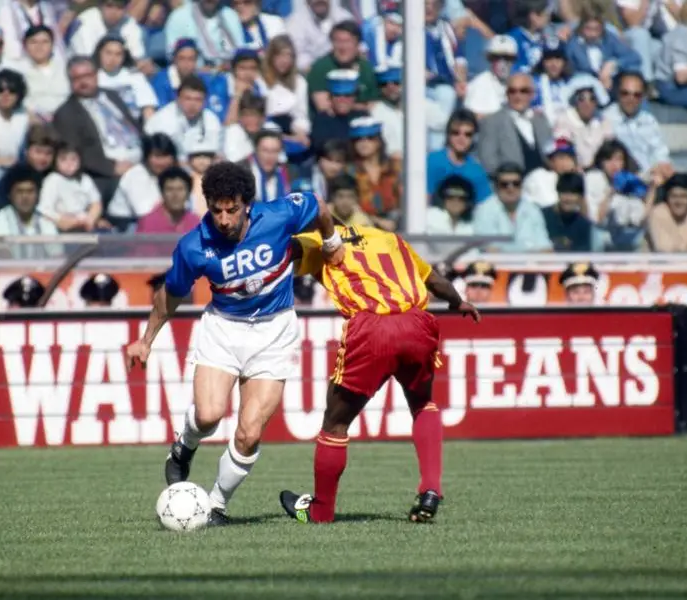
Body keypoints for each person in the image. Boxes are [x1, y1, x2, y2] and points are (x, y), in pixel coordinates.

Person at [124, 161, 342, 526]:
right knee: (208, 415)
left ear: (247, 204)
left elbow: (318, 205)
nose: (223, 219)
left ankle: (215, 506)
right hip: (224, 329)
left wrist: (332, 242)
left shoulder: (278, 215)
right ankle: (184, 446)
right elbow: (170, 295)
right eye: (216, 210)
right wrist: (145, 340)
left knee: (250, 431)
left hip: (275, 331)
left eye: (232, 209)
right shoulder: (194, 246)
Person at [278, 223, 481, 525]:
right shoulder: (386, 237)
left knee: (335, 423)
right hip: (417, 323)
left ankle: (320, 511)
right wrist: (457, 301)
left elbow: (279, 255)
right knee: (422, 403)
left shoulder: (315, 240)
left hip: (371, 328)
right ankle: (430, 489)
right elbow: (433, 280)